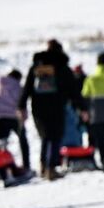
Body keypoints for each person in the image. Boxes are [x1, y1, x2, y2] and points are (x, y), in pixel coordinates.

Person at [22, 39, 79, 180]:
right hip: (57, 106)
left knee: (45, 137)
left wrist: (21, 105)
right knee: (56, 137)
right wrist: (82, 107)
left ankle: (43, 166)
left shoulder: (36, 66)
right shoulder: (62, 66)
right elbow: (73, 90)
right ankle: (51, 168)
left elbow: (27, 87)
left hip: (38, 107)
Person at [0, 69, 31, 173]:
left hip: (1, 118)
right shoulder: (18, 87)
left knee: (2, 143)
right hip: (14, 118)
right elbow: (22, 103)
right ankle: (26, 165)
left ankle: (1, 167)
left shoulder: (0, 86)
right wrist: (24, 117)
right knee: (23, 140)